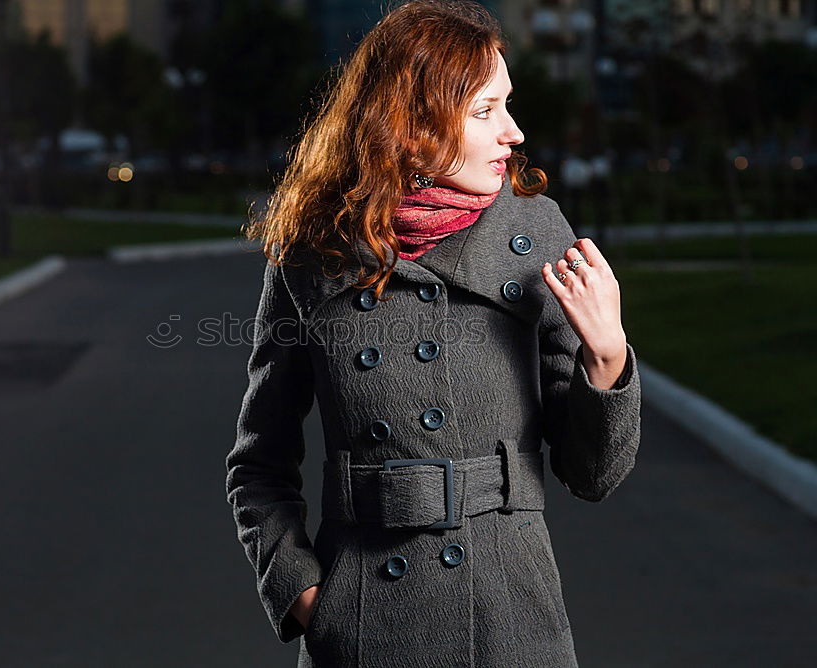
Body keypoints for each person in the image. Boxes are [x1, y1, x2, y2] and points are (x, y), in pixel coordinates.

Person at [225, 1, 641, 666]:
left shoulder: (538, 239)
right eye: (485, 111)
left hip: (511, 624)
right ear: (413, 126)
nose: (514, 131)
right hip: (365, 627)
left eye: (508, 104)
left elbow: (593, 476)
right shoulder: (311, 255)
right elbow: (258, 462)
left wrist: (607, 356)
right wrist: (301, 590)